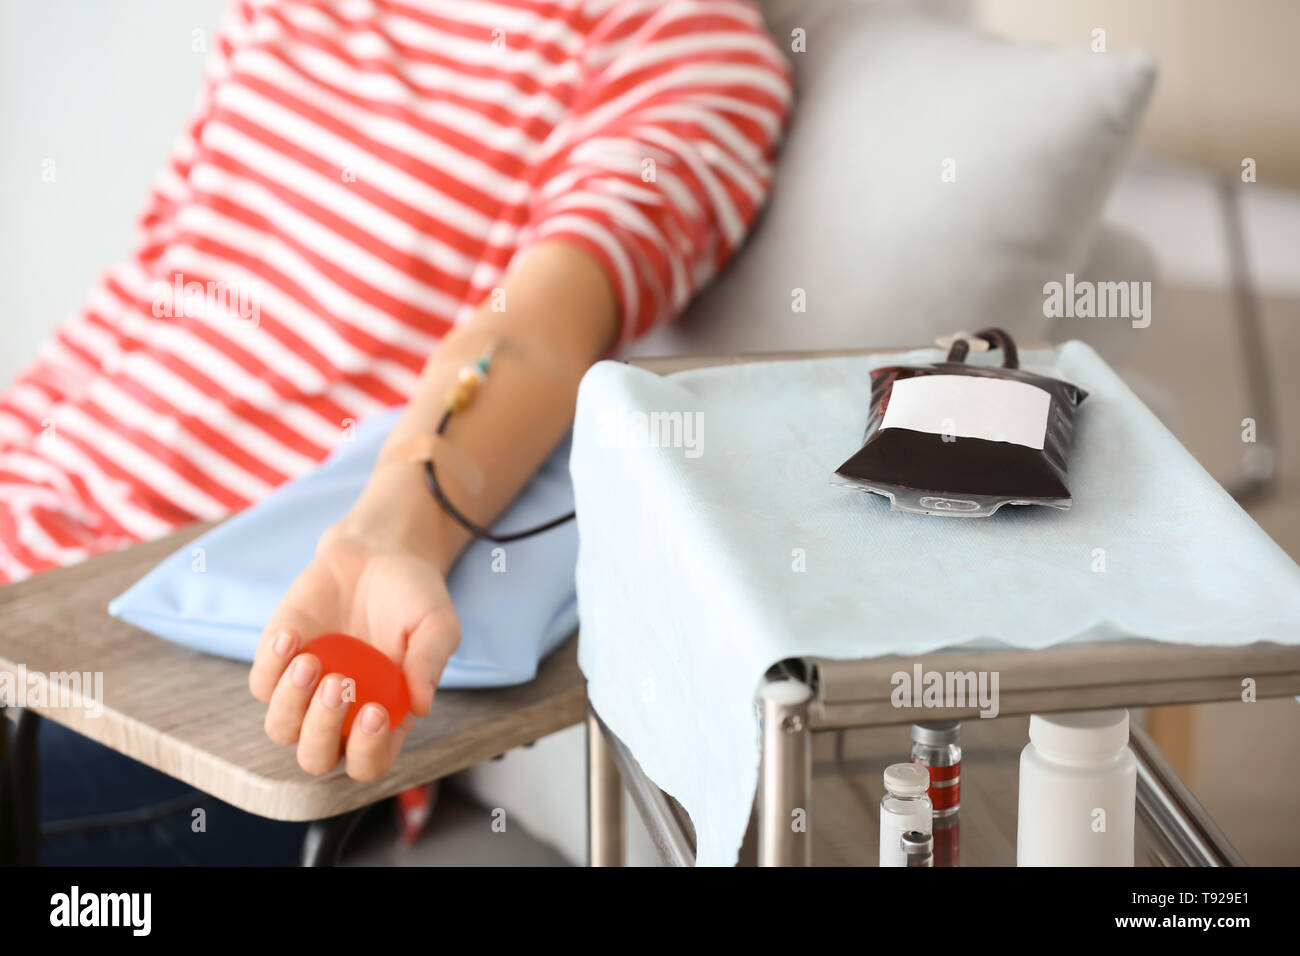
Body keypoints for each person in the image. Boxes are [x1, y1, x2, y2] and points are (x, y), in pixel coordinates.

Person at [2, 0, 790, 861]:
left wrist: (388, 538)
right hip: (30, 554)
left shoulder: (674, 40)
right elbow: (158, 280)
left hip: (226, 666)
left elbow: (532, 336)